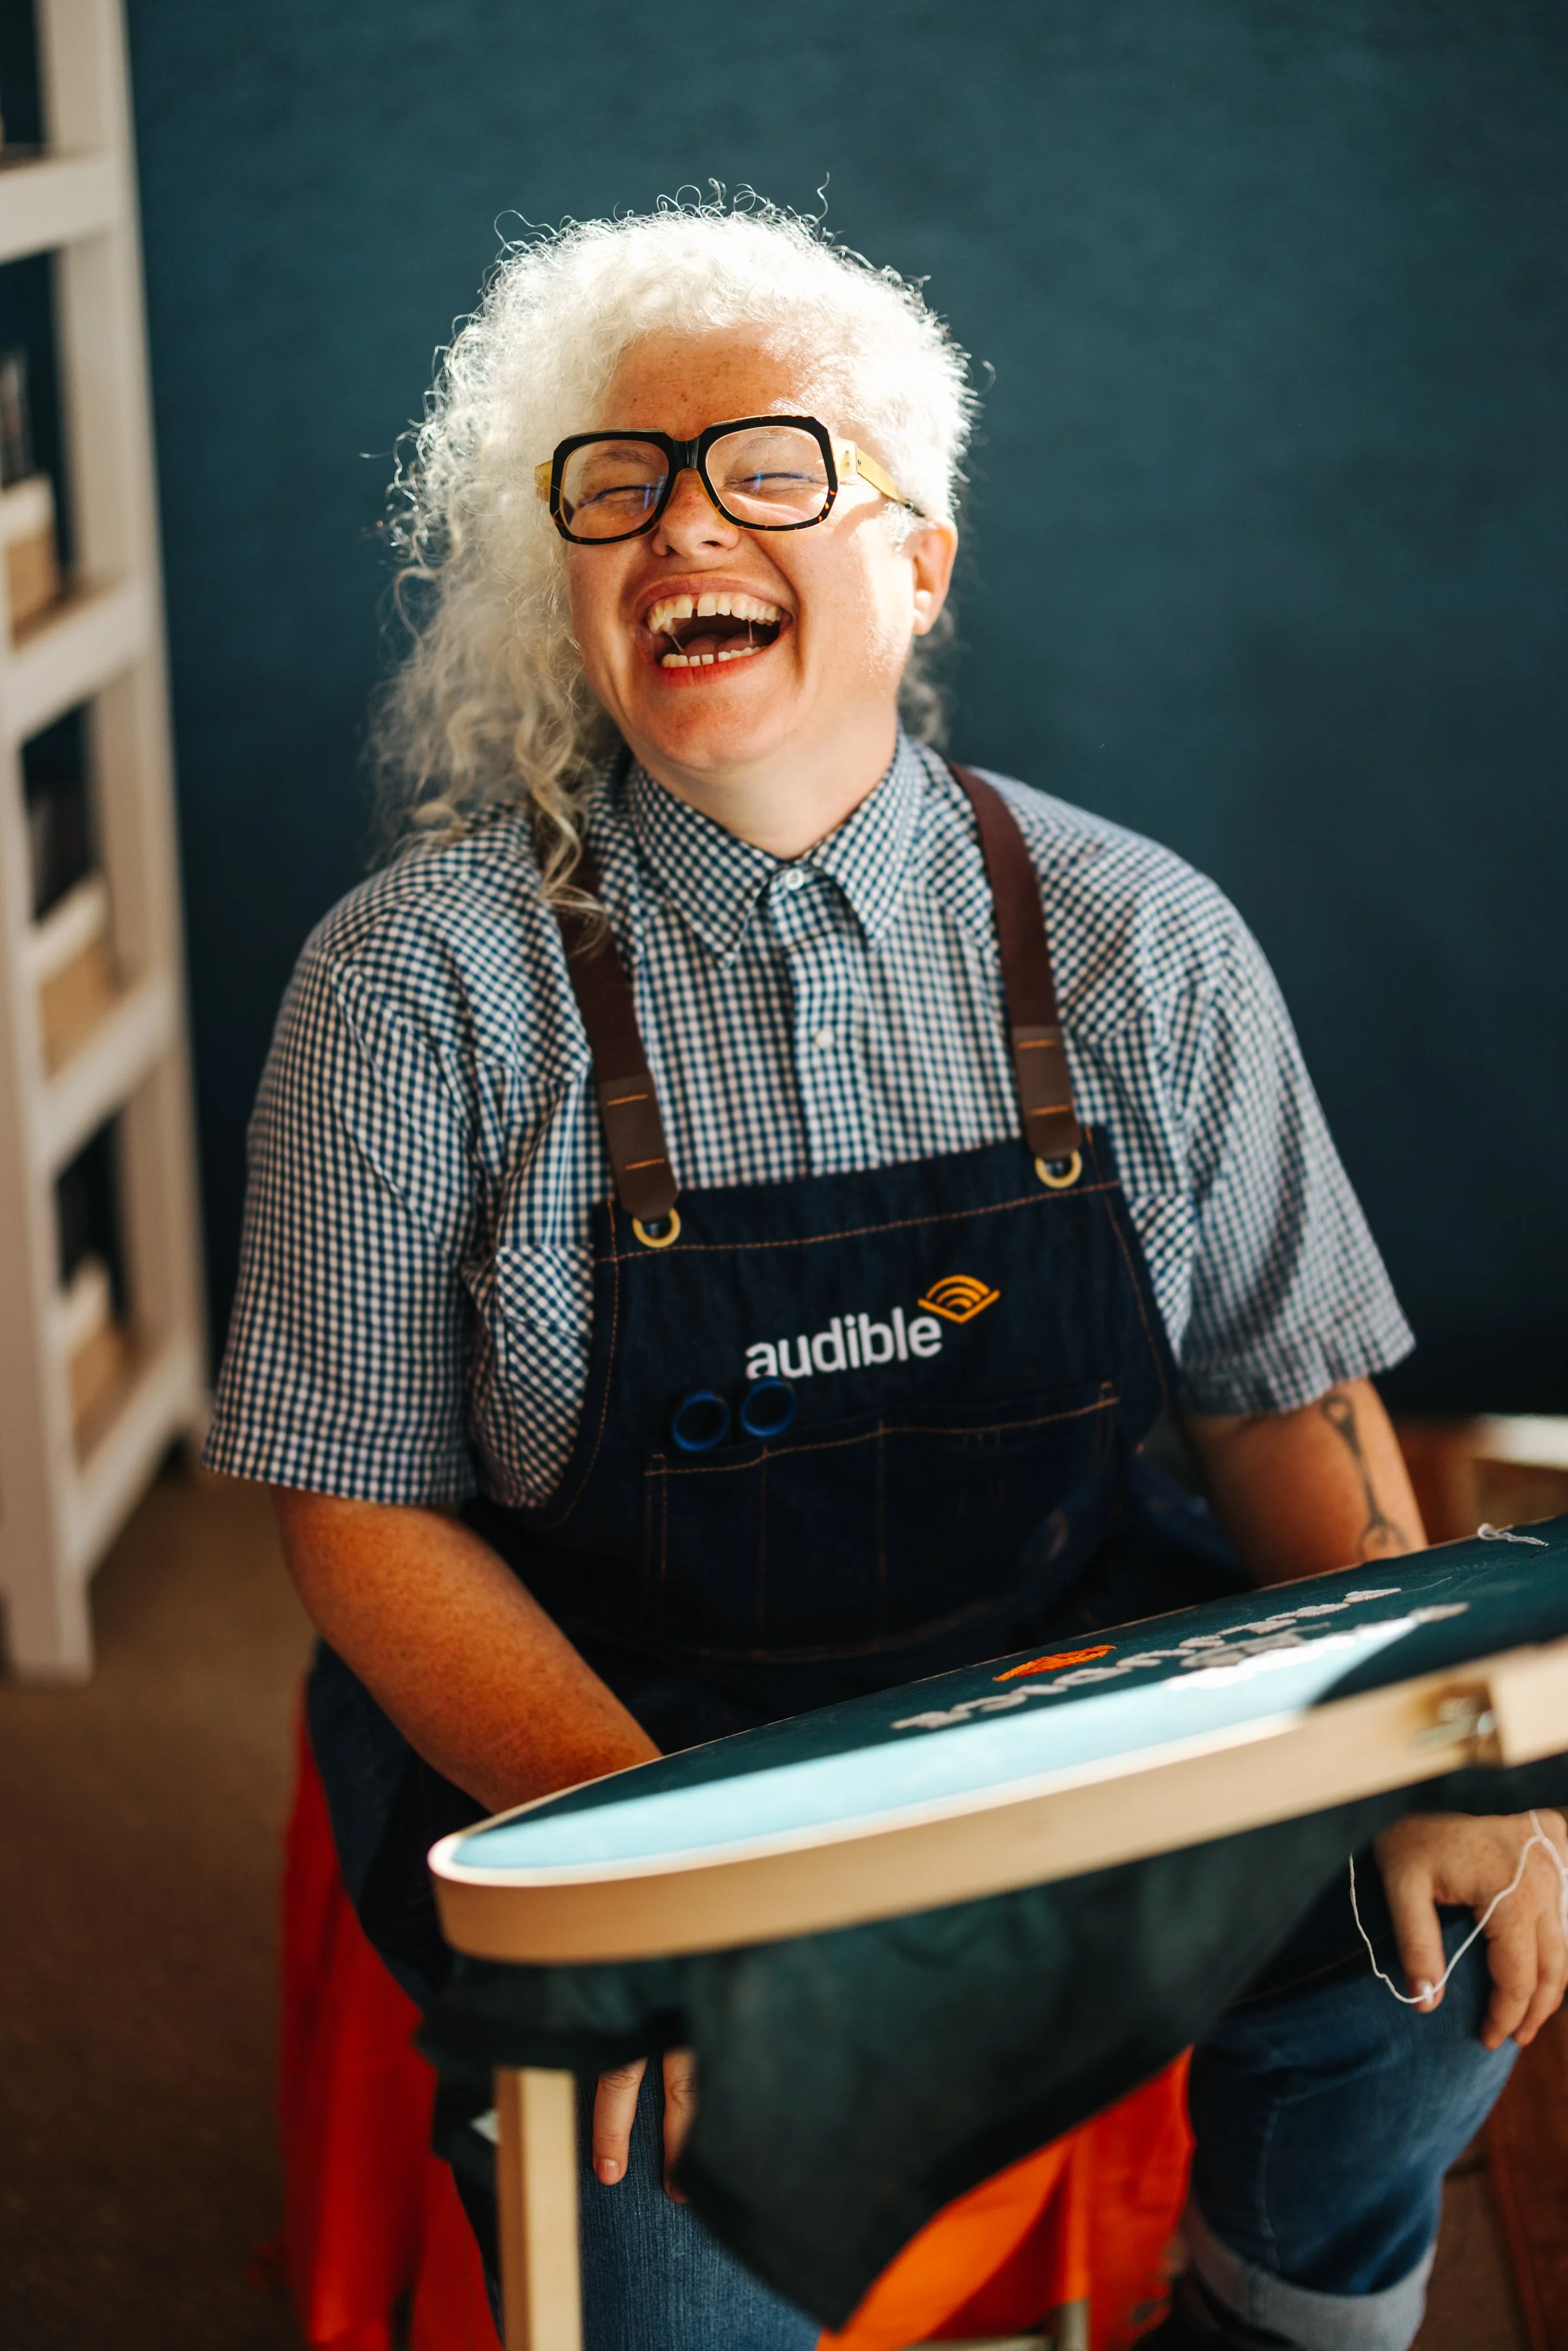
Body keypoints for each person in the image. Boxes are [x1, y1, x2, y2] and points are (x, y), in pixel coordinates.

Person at [204, 199, 1567, 2351]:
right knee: (666, 2234)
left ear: (918, 561)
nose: (680, 524)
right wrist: (649, 1865)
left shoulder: (1145, 942)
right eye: (619, 485)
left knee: (1443, 1947)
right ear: (574, 584)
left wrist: (1425, 1743)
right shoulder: (407, 991)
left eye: (766, 467)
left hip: (1052, 1662)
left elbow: (1277, 1392)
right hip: (609, 1715)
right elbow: (359, 1509)